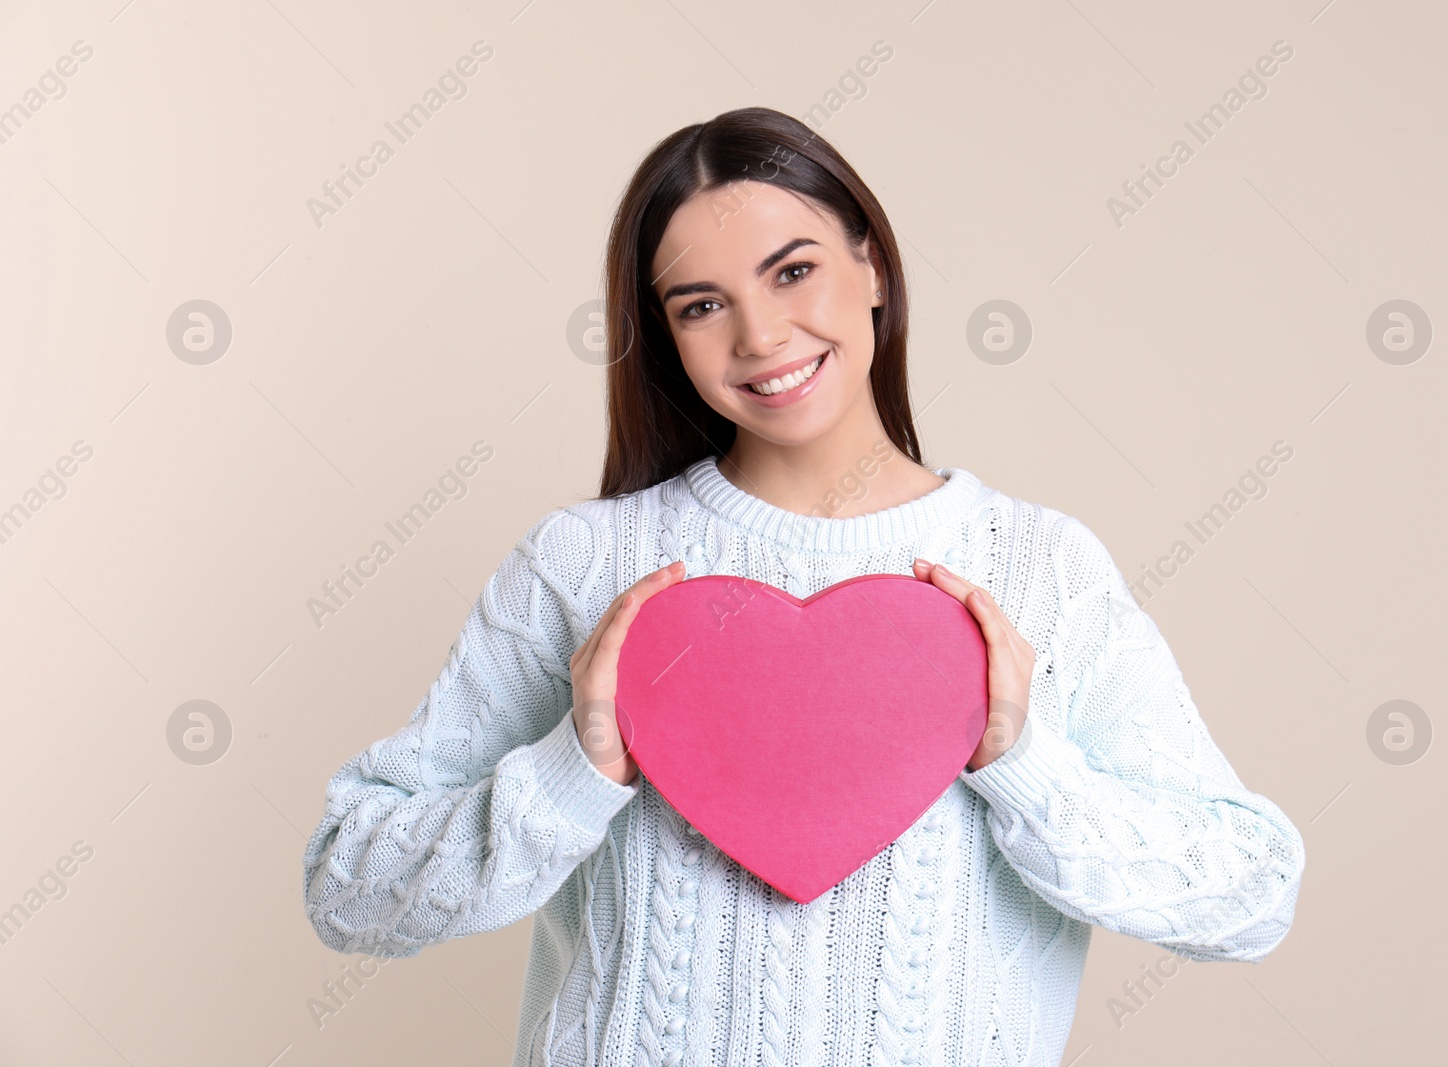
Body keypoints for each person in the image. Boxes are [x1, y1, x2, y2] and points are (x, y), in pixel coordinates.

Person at [302, 105, 1306, 1067]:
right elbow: (345, 889)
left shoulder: (1041, 567)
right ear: (664, 334)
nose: (761, 336)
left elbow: (1251, 894)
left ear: (870, 264)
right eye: (702, 304)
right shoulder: (578, 564)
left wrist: (1024, 763)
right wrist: (577, 767)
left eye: (793, 271)